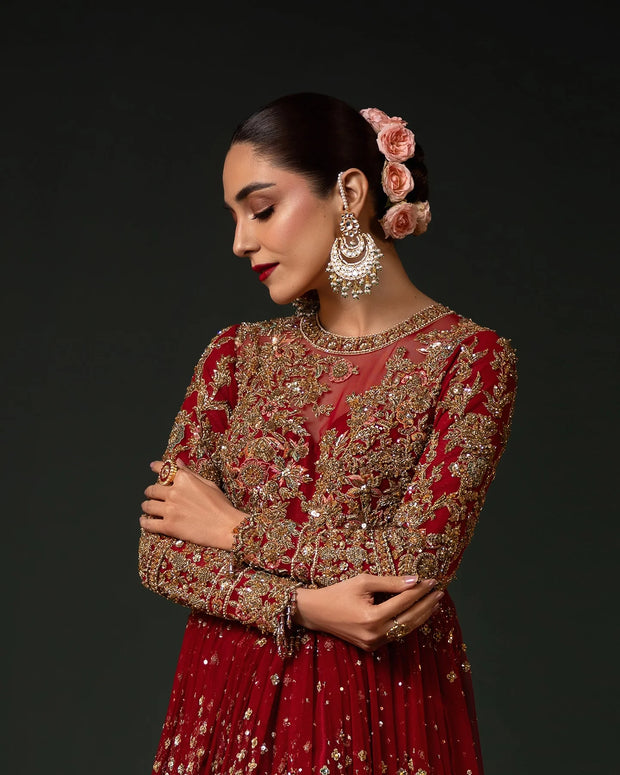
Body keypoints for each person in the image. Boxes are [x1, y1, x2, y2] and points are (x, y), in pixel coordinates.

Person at [138, 92, 517, 775]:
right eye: (233, 218)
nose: (240, 242)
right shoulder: (234, 356)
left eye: (261, 209)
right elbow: (161, 554)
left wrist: (232, 530)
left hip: (381, 703)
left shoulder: (471, 360)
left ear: (349, 190)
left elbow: (415, 561)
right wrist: (303, 606)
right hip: (227, 693)